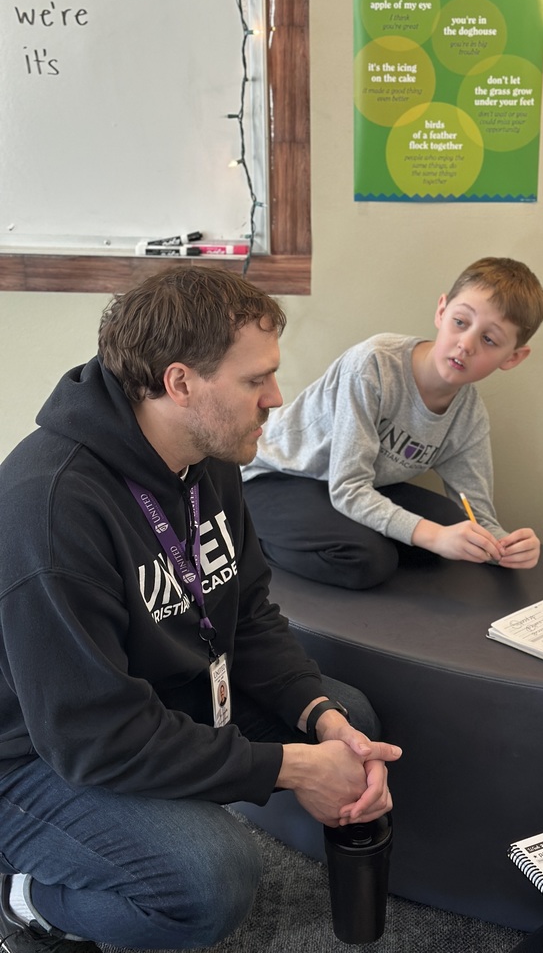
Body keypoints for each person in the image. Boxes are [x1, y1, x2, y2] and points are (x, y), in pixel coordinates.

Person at [0, 266, 402, 953]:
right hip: (38, 755)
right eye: (256, 381)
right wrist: (290, 767)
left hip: (161, 702)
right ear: (180, 382)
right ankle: (29, 899)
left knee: (349, 719)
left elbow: (246, 613)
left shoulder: (208, 454)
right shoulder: (53, 506)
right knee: (211, 879)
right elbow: (95, 737)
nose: (277, 398)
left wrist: (317, 715)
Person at [242, 256, 543, 589]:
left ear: (513, 356)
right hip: (276, 475)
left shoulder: (469, 418)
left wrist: (504, 547)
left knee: (451, 526)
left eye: (489, 340)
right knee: (369, 560)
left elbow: (478, 516)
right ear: (442, 311)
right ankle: (250, 538)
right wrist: (432, 536)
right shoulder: (373, 366)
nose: (467, 344)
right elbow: (348, 489)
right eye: (461, 322)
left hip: (345, 483)